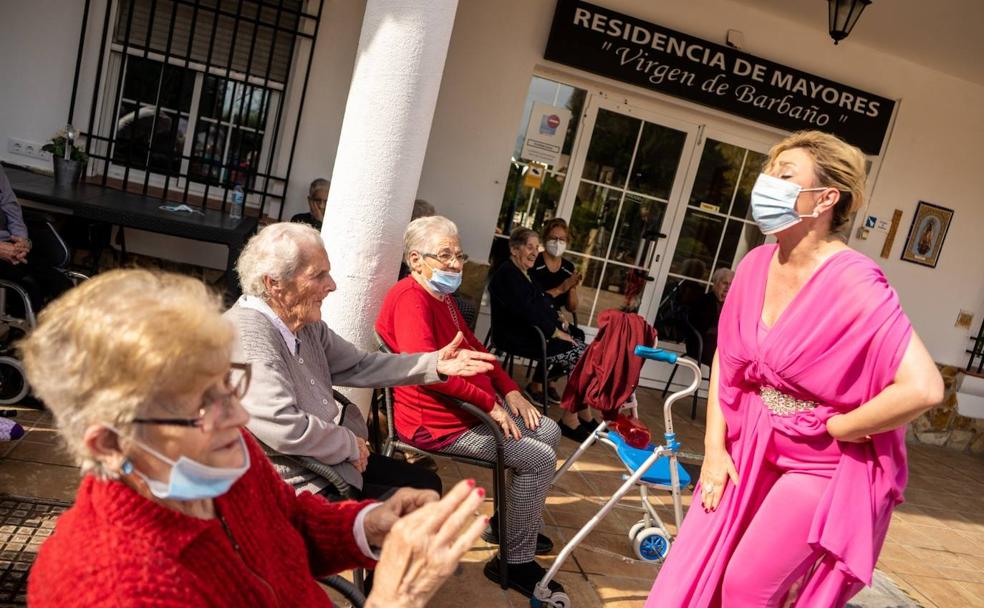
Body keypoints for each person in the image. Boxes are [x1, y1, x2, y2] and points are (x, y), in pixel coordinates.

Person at [21, 269, 487, 607]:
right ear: (107, 444)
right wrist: (390, 601)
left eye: (228, 384)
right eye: (200, 406)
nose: (239, 415)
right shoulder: (113, 588)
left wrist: (367, 525)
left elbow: (289, 519)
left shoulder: (223, 456)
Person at [646, 131, 943, 607]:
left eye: (784, 176)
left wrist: (842, 425)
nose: (767, 185)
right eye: (768, 174)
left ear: (827, 198)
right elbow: (729, 355)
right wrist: (714, 447)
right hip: (751, 440)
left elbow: (924, 388)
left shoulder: (853, 280)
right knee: (700, 562)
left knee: (747, 585)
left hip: (820, 460)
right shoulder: (755, 263)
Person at [226, 222, 496, 500]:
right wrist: (350, 446)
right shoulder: (248, 336)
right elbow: (285, 427)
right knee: (414, 506)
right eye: (319, 275)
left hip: (329, 459)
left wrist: (433, 364)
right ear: (275, 284)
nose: (331, 285)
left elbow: (361, 365)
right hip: (298, 480)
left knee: (426, 484)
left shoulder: (303, 324)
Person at [376, 215, 564, 599]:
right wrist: (490, 405)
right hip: (439, 423)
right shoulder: (411, 300)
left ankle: (506, 526)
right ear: (416, 260)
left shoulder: (441, 297)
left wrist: (509, 390)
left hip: (467, 411)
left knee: (549, 430)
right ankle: (513, 560)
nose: (455, 264)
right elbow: (431, 373)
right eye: (444, 255)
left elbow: (476, 349)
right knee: (538, 458)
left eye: (458, 255)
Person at [488, 227, 593, 441]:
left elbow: (542, 301)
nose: (535, 252)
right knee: (581, 355)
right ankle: (571, 420)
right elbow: (528, 311)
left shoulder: (524, 272)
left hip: (530, 332)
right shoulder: (508, 273)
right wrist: (555, 331)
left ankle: (581, 413)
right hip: (517, 335)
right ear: (515, 249)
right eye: (529, 247)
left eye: (537, 247)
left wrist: (558, 317)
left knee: (581, 346)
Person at [0, 166, 72, 312]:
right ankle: (22, 331)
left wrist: (22, 241)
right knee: (29, 287)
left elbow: (10, 206)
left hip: (12, 246)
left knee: (63, 287)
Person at [529, 218, 582, 339]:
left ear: (567, 242)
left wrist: (572, 287)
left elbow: (572, 307)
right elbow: (533, 300)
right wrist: (562, 287)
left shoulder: (568, 267)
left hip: (555, 318)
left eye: (562, 239)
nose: (557, 243)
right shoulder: (534, 261)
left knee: (579, 335)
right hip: (535, 319)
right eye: (553, 238)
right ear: (545, 239)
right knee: (567, 341)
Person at [688, 267, 734, 366]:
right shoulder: (704, 301)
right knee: (723, 359)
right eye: (725, 283)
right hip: (700, 345)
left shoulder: (731, 305)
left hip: (719, 346)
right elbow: (703, 328)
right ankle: (715, 381)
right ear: (715, 283)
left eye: (731, 284)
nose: (728, 288)